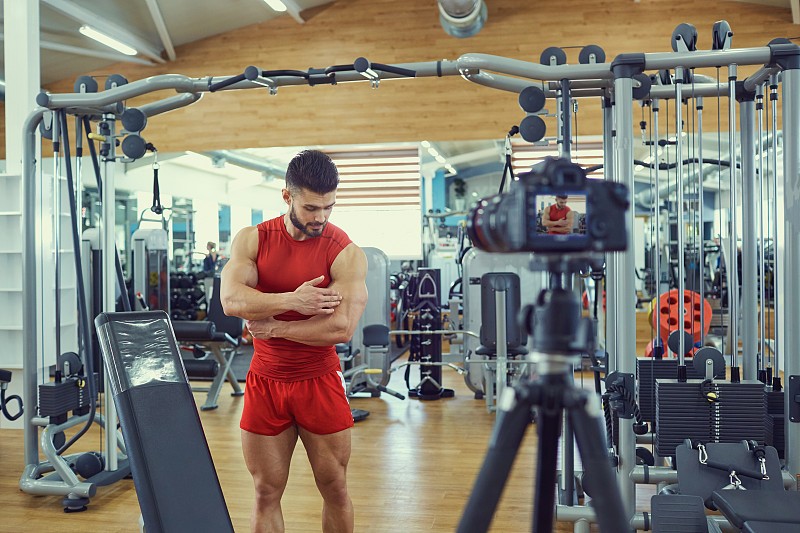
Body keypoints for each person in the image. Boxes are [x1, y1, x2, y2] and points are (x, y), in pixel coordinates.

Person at [220, 149, 367, 533]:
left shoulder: (344, 252)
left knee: (334, 487)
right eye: (312, 208)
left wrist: (278, 327)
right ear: (287, 197)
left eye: (329, 207)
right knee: (265, 491)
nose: (321, 217)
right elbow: (231, 300)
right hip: (265, 381)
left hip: (319, 380)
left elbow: (340, 329)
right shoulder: (253, 240)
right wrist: (293, 301)